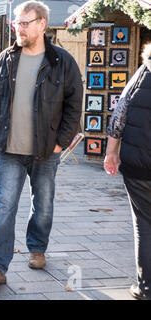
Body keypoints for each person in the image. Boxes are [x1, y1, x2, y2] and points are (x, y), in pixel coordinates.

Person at [0, 1, 83, 285]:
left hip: (46, 150)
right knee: (4, 205)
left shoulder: (62, 61)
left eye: (25, 23)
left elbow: (75, 103)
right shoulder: (6, 58)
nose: (18, 27)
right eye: (16, 22)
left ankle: (37, 247)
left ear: (41, 24)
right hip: (9, 149)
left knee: (44, 203)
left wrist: (61, 141)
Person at [104, 43, 151, 300]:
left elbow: (119, 115)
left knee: (144, 225)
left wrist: (111, 153)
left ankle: (146, 287)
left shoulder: (142, 73)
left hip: (138, 167)